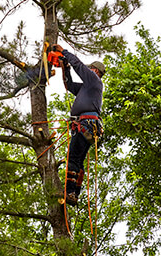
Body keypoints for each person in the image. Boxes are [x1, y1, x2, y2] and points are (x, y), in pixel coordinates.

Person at [51, 44, 105, 206]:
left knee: (73, 159)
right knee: (78, 161)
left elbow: (79, 66)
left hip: (86, 125)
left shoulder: (94, 80)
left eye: (90, 69)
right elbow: (69, 86)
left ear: (95, 71)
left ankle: (71, 192)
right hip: (87, 126)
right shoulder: (87, 88)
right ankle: (74, 194)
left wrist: (64, 52)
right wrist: (65, 68)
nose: (87, 71)